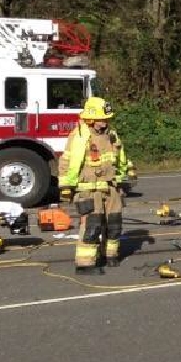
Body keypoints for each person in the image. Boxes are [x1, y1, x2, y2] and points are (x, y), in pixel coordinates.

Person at [58, 97, 130, 274]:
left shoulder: (112, 135)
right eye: (101, 119)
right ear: (90, 119)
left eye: (106, 119)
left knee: (114, 223)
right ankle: (85, 264)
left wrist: (123, 180)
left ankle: (110, 255)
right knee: (92, 225)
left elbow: (121, 159)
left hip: (111, 188)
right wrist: (66, 187)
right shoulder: (80, 137)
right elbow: (66, 163)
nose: (105, 122)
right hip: (88, 190)